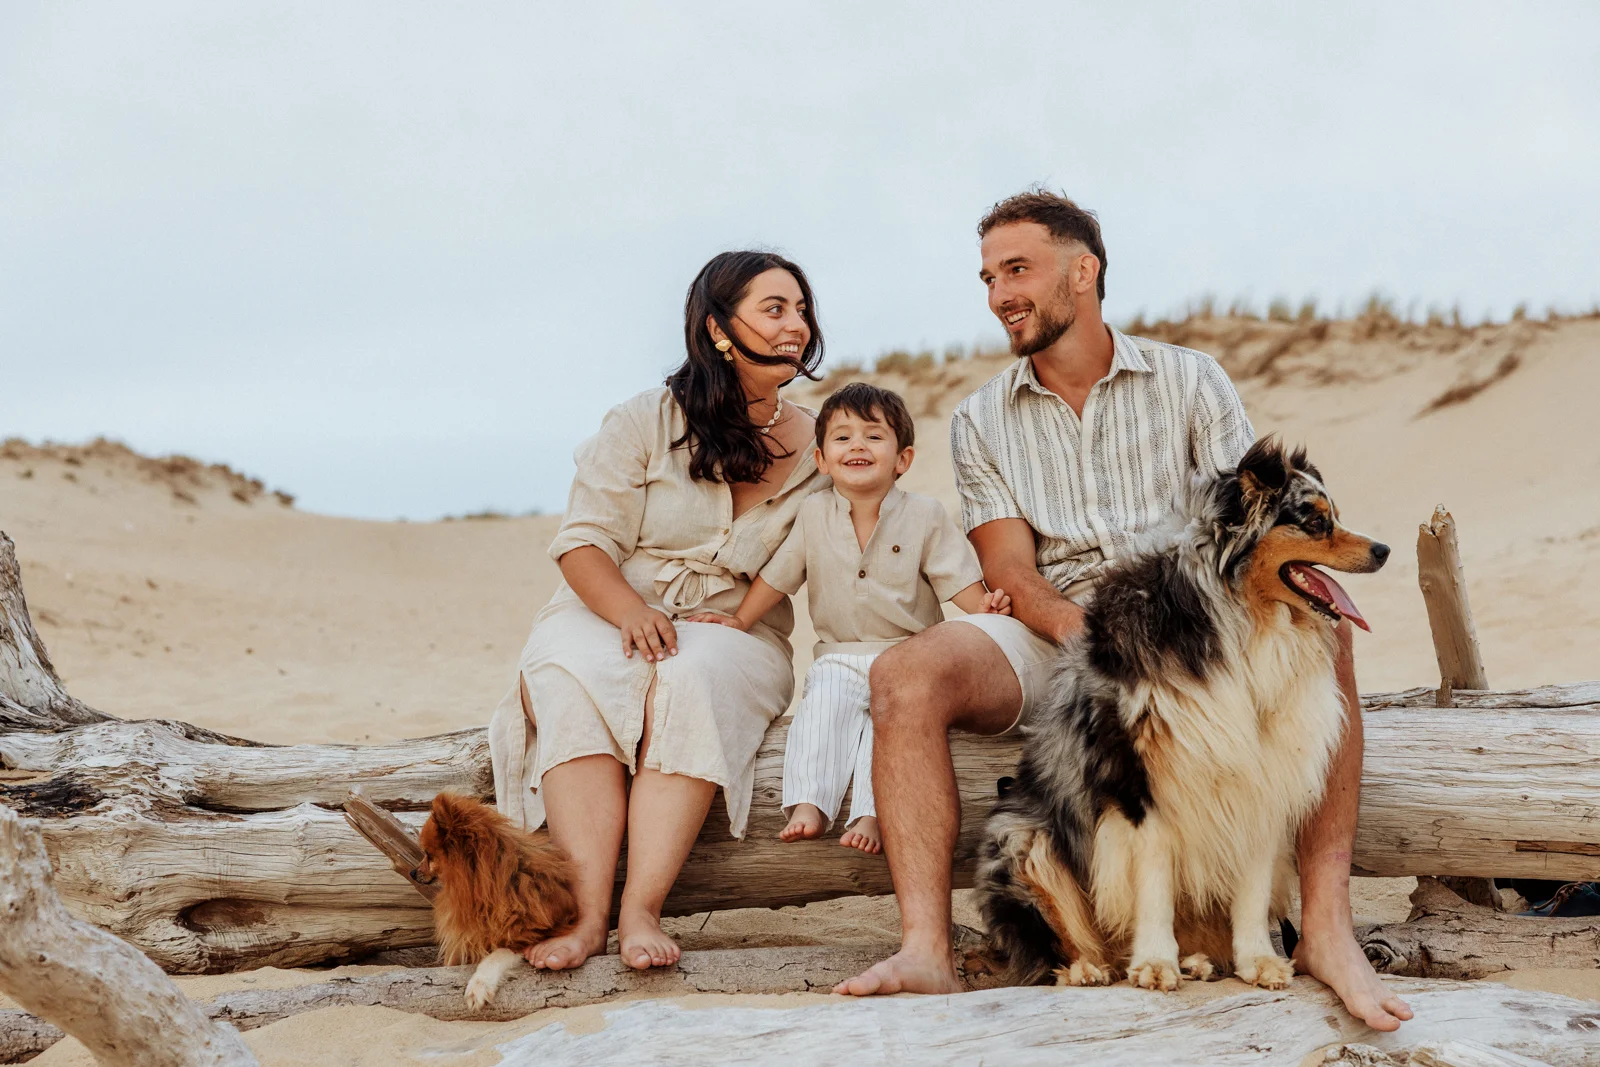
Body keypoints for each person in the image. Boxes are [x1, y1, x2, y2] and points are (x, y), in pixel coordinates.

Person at [833, 190, 1415, 1033]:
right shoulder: (980, 418)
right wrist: (1095, 637)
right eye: (990, 277)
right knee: (905, 674)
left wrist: (1170, 643)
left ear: (1084, 270)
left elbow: (1246, 531)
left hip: (1191, 623)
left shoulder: (1191, 378)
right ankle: (925, 946)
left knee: (1328, 633)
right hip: (1060, 631)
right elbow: (1009, 569)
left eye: (1018, 270)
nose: (1000, 294)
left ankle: (1326, 926)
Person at [486, 250, 829, 972]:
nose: (796, 325)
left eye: (801, 309)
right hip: (605, 605)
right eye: (775, 308)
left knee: (689, 679)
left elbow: (846, 547)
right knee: (573, 675)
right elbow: (581, 544)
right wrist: (630, 612)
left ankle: (641, 908)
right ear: (718, 327)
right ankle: (585, 915)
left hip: (732, 626)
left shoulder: (822, 443)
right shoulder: (644, 420)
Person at [689, 382, 1011, 854]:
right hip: (838, 655)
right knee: (820, 715)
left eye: (873, 436)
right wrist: (739, 620)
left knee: (887, 732)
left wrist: (983, 607)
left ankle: (872, 813)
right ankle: (808, 804)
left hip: (911, 657)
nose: (857, 445)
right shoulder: (813, 512)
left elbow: (954, 576)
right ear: (821, 460)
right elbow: (780, 577)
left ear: (903, 459)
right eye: (842, 438)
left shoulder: (925, 514)